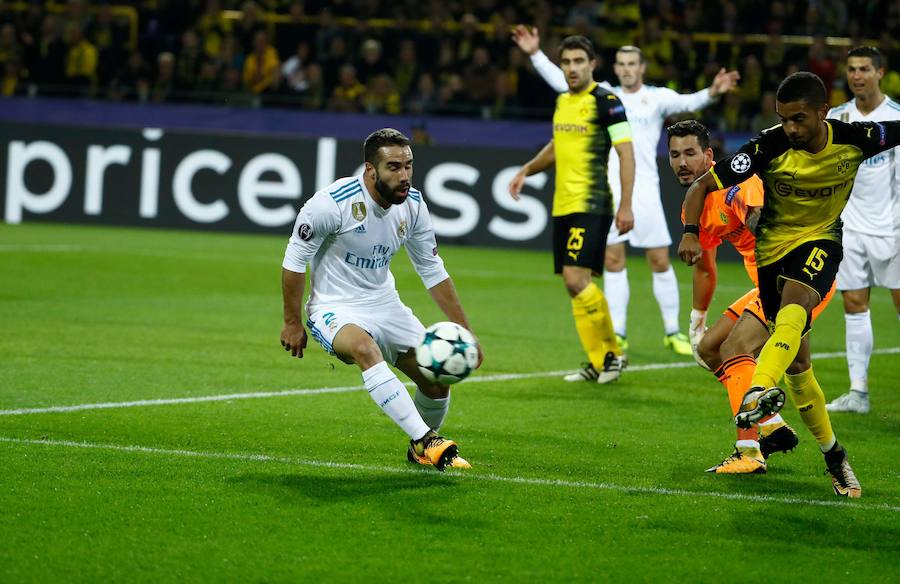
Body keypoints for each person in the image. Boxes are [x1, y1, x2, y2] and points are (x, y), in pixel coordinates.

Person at [678, 71, 900, 497]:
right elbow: (705, 183)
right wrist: (690, 230)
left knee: (786, 312)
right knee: (799, 370)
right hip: (771, 258)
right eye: (783, 119)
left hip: (820, 245)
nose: (791, 129)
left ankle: (758, 395)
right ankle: (834, 454)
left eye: (798, 119)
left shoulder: (857, 137)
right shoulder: (769, 145)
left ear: (822, 112)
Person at [512, 25, 740, 355]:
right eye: (621, 64)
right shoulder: (604, 95)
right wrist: (535, 54)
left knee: (660, 260)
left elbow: (690, 101)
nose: (627, 69)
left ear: (642, 68)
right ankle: (618, 332)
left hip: (645, 190)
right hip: (610, 188)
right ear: (614, 68)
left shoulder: (656, 97)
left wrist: (714, 92)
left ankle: (672, 331)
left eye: (633, 63)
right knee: (613, 260)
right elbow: (562, 78)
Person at [280, 128, 483, 471]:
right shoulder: (332, 204)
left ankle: (418, 448)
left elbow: (432, 269)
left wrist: (466, 331)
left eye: (408, 166)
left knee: (435, 379)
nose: (404, 176)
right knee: (363, 347)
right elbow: (294, 261)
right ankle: (426, 440)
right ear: (370, 170)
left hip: (385, 303)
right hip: (334, 306)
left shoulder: (414, 206)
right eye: (394, 167)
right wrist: (292, 321)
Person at [668, 120, 835, 474]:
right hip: (768, 286)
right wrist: (697, 320)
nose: (682, 162)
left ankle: (749, 450)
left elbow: (761, 216)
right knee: (711, 347)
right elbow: (704, 267)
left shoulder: (737, 185)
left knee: (734, 349)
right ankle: (773, 426)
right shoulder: (695, 207)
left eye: (690, 153)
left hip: (796, 279)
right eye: (675, 155)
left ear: (708, 155)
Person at [508, 35, 635, 384]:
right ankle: (599, 360)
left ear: (592, 64)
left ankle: (612, 356)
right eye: (566, 62)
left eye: (579, 61)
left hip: (592, 202)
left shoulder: (607, 101)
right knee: (574, 284)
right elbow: (556, 145)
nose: (572, 68)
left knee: (575, 278)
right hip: (563, 205)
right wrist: (526, 170)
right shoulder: (563, 101)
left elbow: (626, 152)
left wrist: (626, 204)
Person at [825, 47, 900, 414]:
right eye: (852, 69)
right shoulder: (838, 118)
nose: (857, 76)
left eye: (865, 69)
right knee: (854, 306)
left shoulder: (897, 117)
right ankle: (858, 393)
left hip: (894, 229)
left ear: (880, 72)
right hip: (850, 229)